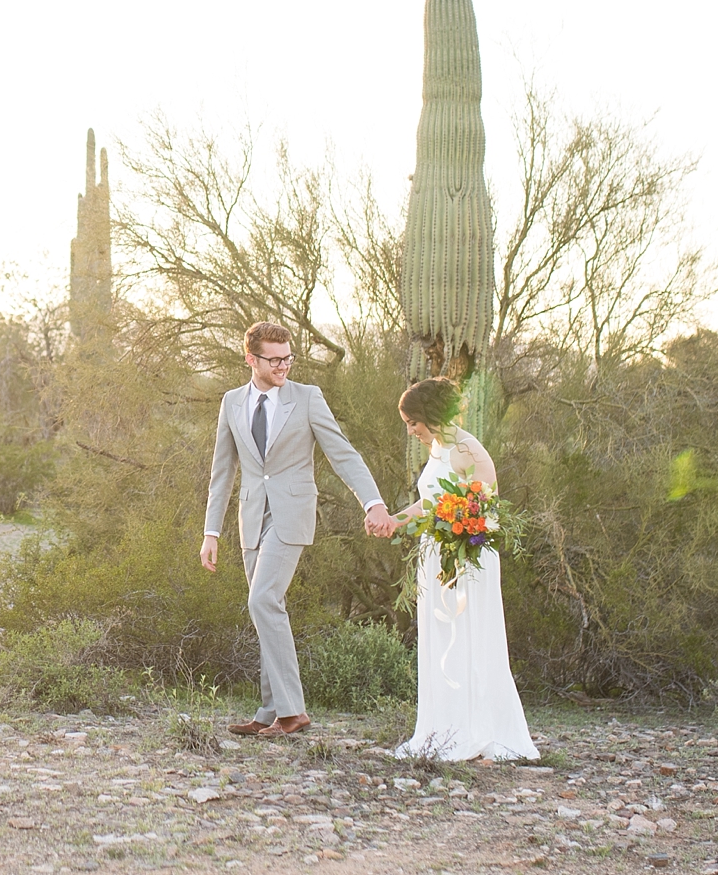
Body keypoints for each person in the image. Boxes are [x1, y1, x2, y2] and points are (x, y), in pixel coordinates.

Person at [201, 322, 397, 736]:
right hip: (251, 517)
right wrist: (211, 532)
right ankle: (269, 710)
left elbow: (342, 454)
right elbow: (222, 472)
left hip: (291, 515)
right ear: (251, 359)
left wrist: (373, 501)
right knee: (266, 609)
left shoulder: (308, 398)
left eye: (288, 357)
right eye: (274, 359)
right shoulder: (232, 402)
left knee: (263, 600)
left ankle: (292, 712)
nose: (283, 366)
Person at [389, 376, 538, 762]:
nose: (411, 431)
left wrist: (456, 533)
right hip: (436, 558)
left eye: (413, 422)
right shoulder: (438, 447)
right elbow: (428, 502)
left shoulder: (470, 450)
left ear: (430, 416)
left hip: (467, 560)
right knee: (441, 641)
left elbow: (485, 506)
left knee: (471, 640)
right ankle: (445, 727)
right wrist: (394, 521)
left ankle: (483, 734)